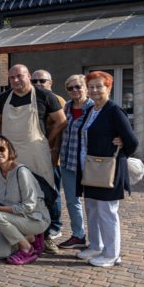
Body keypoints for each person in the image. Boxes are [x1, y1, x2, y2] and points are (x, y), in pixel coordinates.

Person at [76, 71, 138, 267]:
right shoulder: (91, 110)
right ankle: (96, 246)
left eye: (99, 86)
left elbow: (132, 140)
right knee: (92, 209)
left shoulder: (114, 111)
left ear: (108, 88)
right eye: (91, 86)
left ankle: (112, 254)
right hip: (90, 168)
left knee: (107, 212)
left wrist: (121, 150)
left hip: (108, 170)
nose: (94, 90)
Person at [0, 64, 66, 188]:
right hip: (11, 153)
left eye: (19, 76)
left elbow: (61, 121)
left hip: (36, 152)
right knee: (14, 189)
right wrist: (8, 136)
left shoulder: (45, 96)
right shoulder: (4, 98)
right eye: (12, 78)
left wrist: (47, 139)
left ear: (28, 76)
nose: (15, 80)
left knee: (41, 189)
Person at [0, 135, 49, 265]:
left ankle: (27, 248)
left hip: (34, 219)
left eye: (1, 149)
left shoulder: (22, 172)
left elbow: (29, 206)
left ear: (9, 150)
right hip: (12, 219)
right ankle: (30, 238)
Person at [57, 74, 94, 250]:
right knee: (72, 201)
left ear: (86, 87)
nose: (74, 90)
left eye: (78, 86)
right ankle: (78, 235)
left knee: (92, 203)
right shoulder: (66, 107)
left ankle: (96, 240)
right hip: (68, 161)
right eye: (70, 88)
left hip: (89, 163)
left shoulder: (94, 108)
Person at [31, 69, 67, 243]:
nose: (38, 84)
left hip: (53, 154)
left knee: (53, 192)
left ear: (50, 83)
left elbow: (61, 126)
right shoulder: (33, 99)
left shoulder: (57, 99)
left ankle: (55, 226)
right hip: (36, 154)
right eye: (34, 81)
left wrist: (49, 144)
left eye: (42, 81)